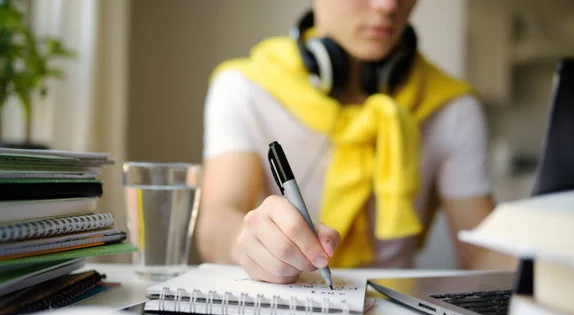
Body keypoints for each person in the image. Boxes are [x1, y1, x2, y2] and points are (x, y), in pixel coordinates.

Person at [198, 0, 511, 284]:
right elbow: (216, 225)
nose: (388, 5)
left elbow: (481, 255)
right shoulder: (245, 88)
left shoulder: (452, 107)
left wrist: (544, 253)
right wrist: (246, 243)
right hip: (280, 310)